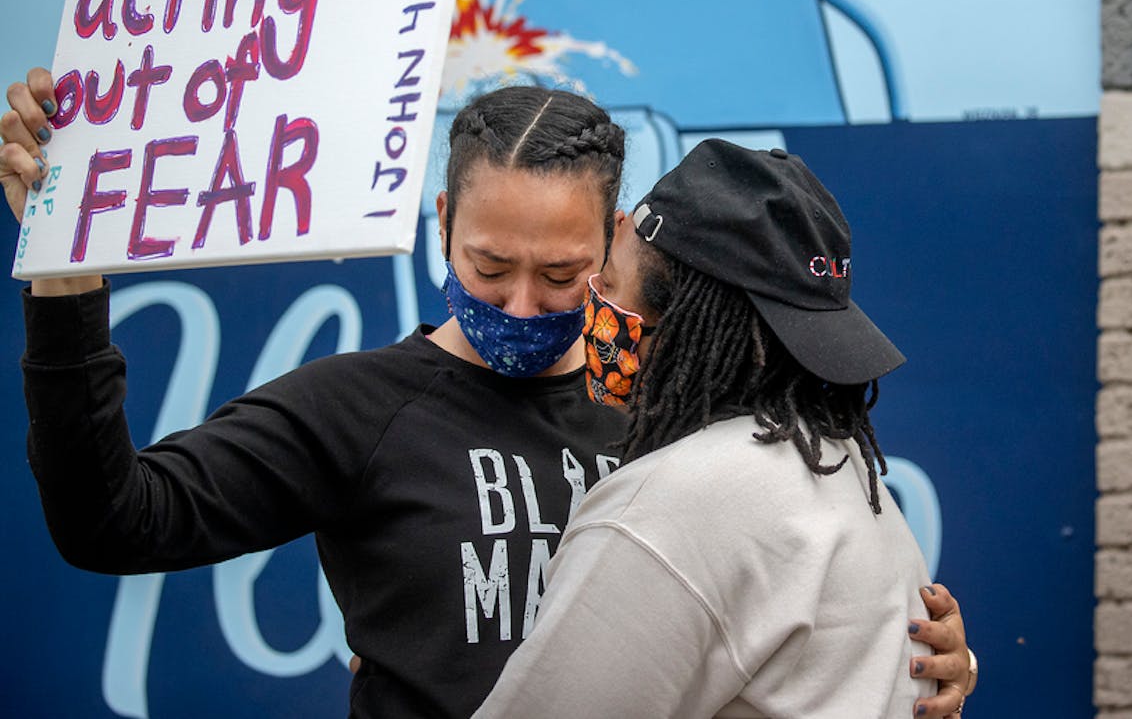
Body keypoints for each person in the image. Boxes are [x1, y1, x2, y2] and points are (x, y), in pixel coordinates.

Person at [1, 69, 975, 718]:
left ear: (620, 250)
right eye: (487, 263)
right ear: (440, 223)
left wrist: (905, 662)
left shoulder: (676, 424)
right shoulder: (357, 406)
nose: (521, 299)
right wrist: (63, 276)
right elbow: (110, 520)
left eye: (561, 274)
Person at [476, 139, 974, 718]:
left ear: (685, 323)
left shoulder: (671, 506)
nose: (595, 305)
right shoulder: (850, 474)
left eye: (608, 285)